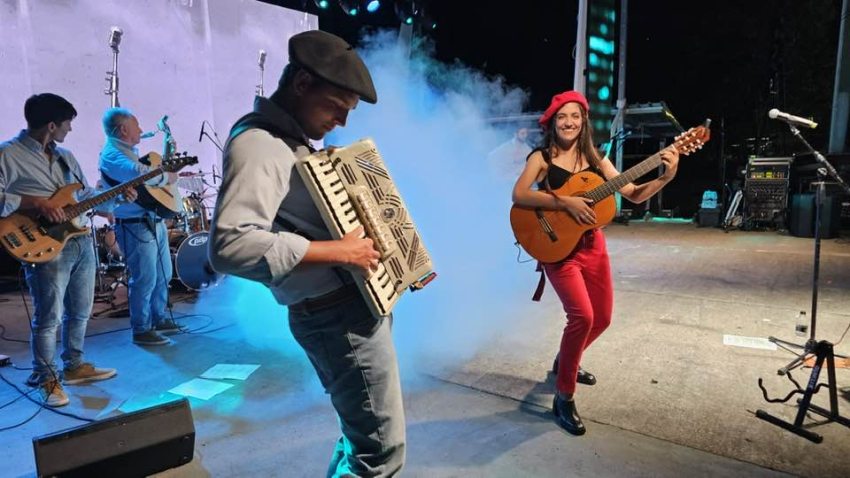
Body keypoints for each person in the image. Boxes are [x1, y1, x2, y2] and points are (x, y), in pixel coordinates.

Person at [208, 30, 405, 476]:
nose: (342, 121)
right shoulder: (259, 144)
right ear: (301, 84)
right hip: (334, 315)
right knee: (379, 454)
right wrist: (341, 251)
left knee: (361, 438)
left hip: (344, 310)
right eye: (337, 106)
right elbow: (229, 245)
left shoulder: (287, 142)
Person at [511, 90, 680, 435]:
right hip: (559, 250)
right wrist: (565, 202)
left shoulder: (597, 159)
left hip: (592, 246)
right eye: (562, 117)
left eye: (575, 116)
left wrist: (665, 177)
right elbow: (520, 194)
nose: (568, 122)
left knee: (601, 319)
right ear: (553, 122)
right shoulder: (542, 157)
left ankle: (565, 361)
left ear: (584, 120)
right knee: (582, 317)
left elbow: (633, 194)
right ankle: (564, 396)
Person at [0, 93, 133, 407]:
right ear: (51, 125)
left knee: (80, 310)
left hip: (80, 240)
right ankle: (45, 377)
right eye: (67, 124)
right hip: (41, 244)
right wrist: (36, 203)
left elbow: (84, 196)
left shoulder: (66, 157)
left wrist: (116, 196)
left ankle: (74, 365)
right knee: (49, 316)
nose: (70, 130)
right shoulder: (7, 154)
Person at [99, 107, 183, 346]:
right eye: (137, 126)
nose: (142, 130)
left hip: (152, 221)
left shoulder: (129, 153)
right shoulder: (112, 155)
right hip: (134, 225)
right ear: (123, 129)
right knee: (145, 278)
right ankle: (142, 329)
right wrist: (167, 177)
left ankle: (159, 318)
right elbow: (138, 173)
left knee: (164, 273)